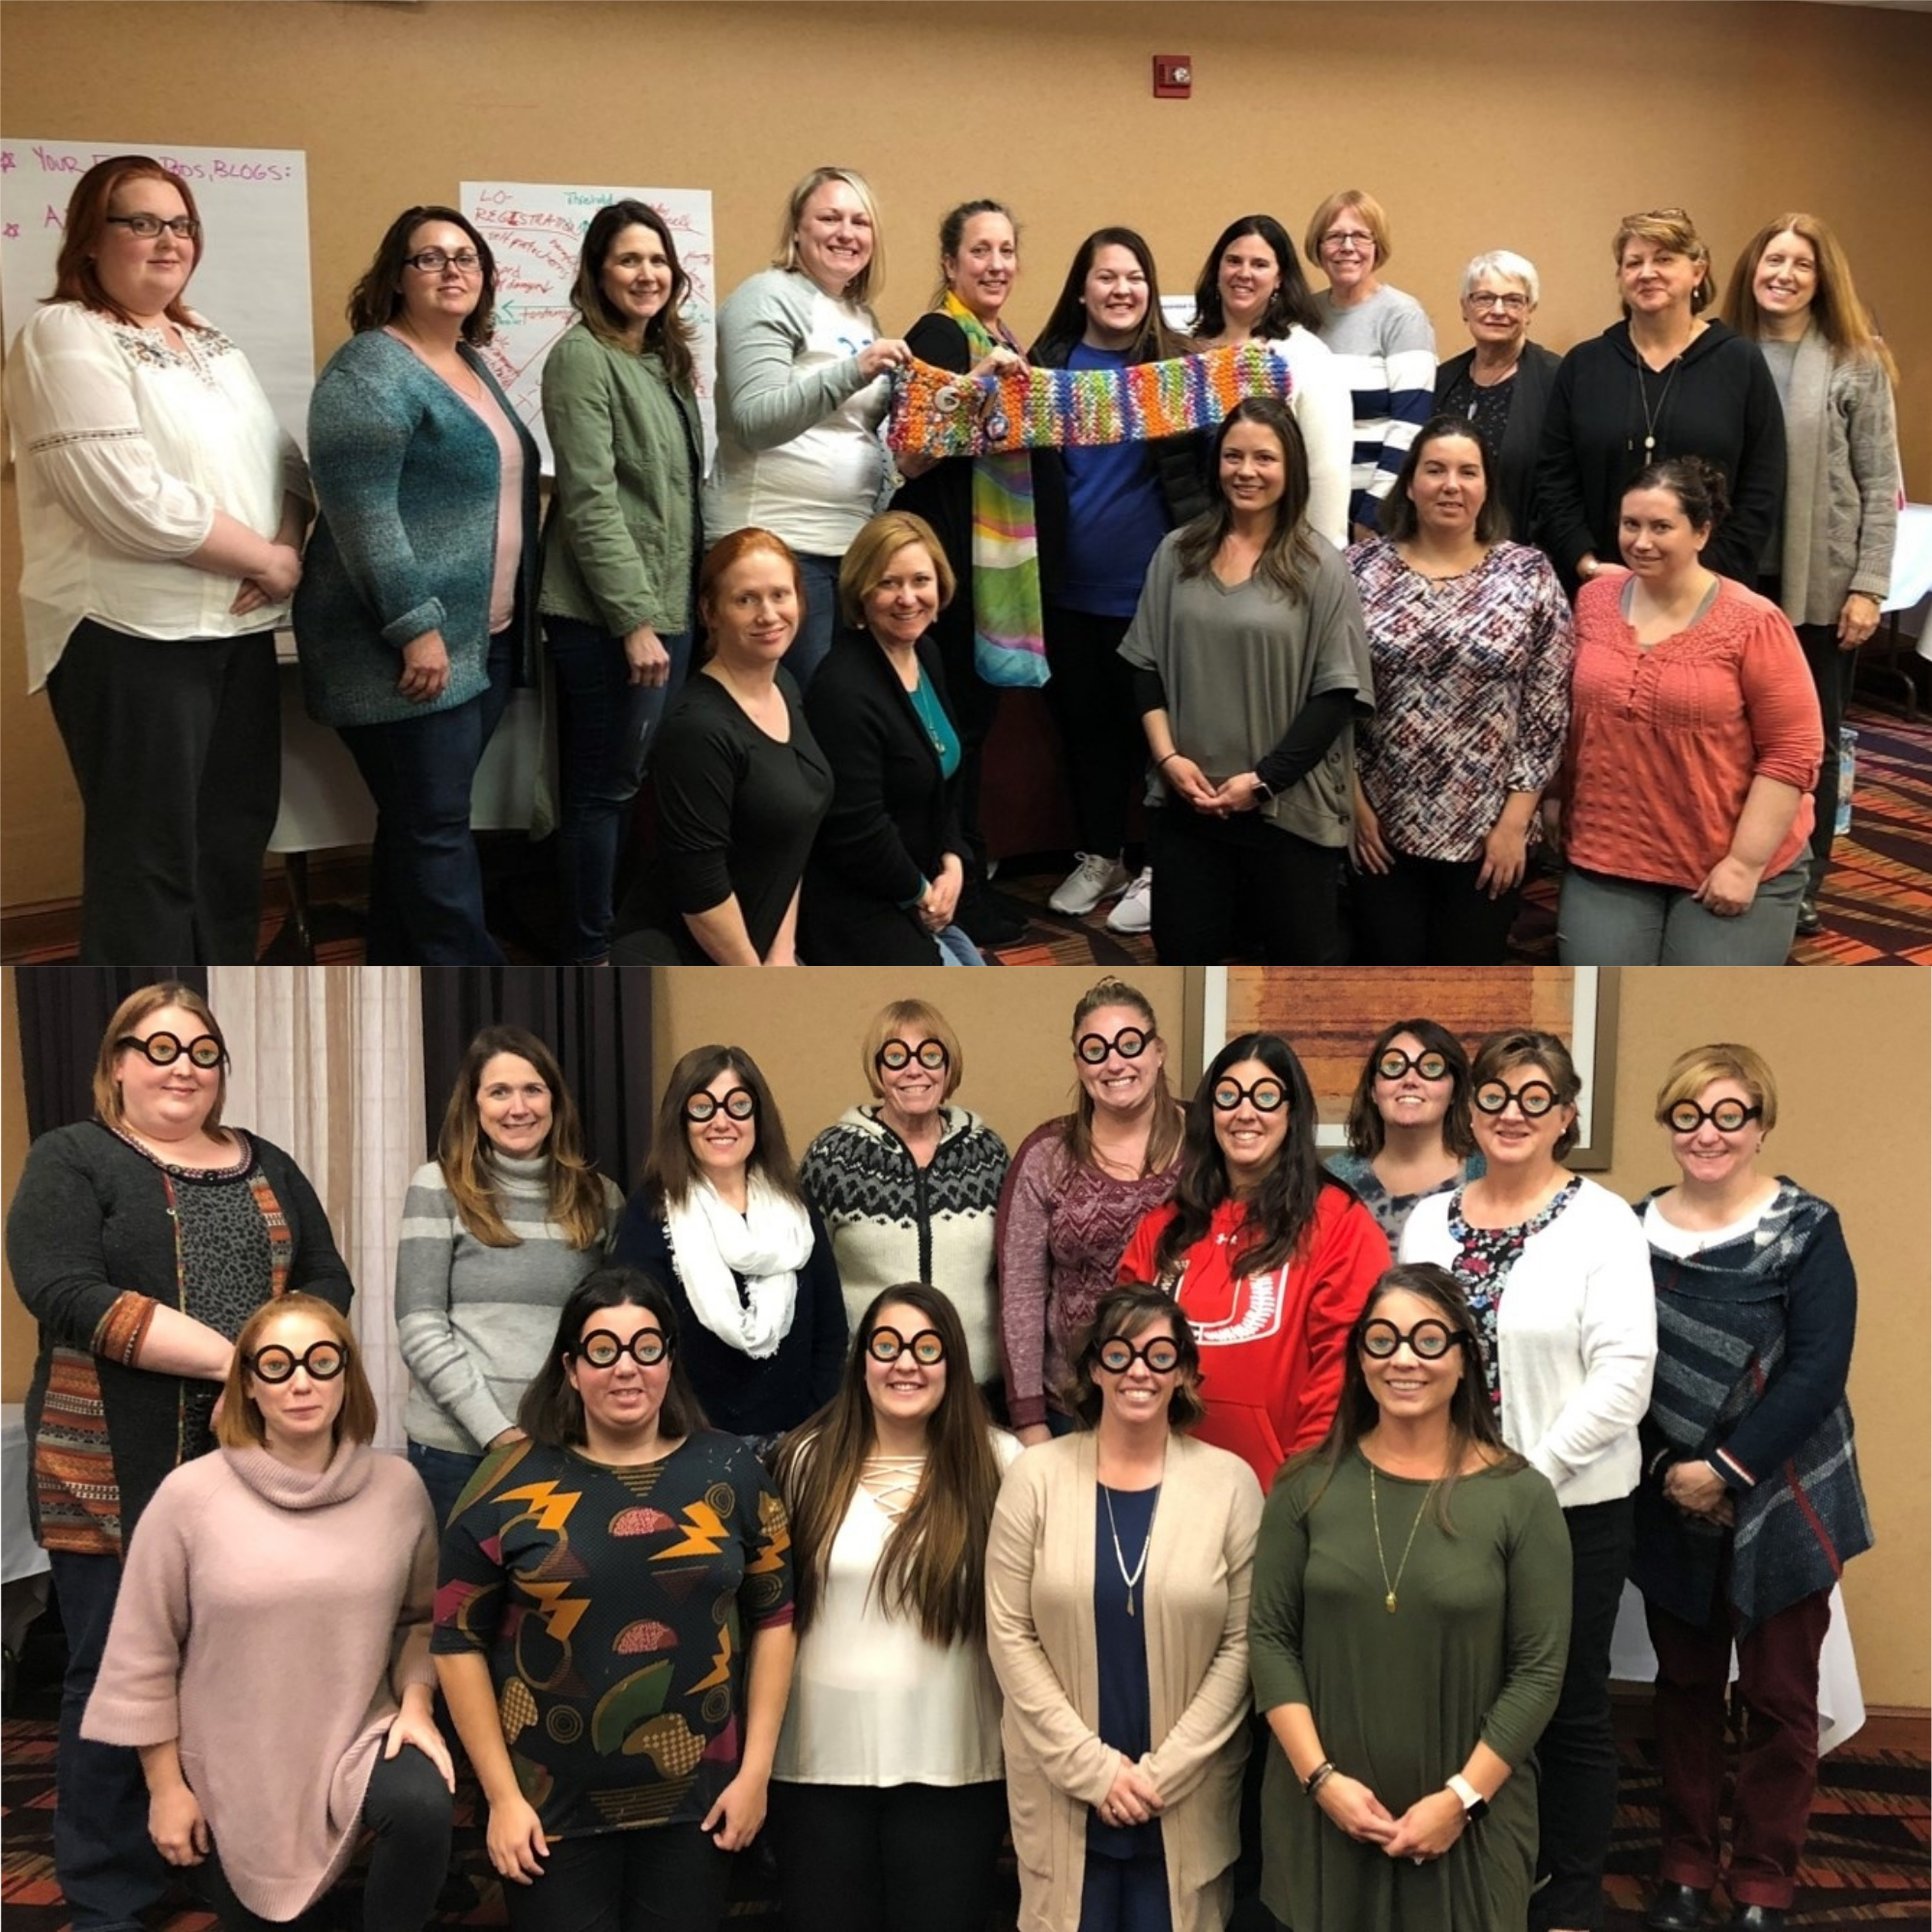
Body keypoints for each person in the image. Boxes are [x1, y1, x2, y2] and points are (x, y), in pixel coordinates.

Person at [4, 982, 353, 1932]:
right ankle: (106, 1885)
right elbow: (63, 1287)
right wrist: (250, 1360)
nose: (181, 1066)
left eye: (202, 1050)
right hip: (110, 1465)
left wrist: (289, 1364)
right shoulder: (73, 1156)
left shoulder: (266, 1162)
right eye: (157, 1047)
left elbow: (326, 1275)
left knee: (235, 1674)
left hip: (258, 1467)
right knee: (116, 1674)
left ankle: (215, 1855)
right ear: (115, 1060)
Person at [4, 154, 307, 963]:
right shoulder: (63, 334)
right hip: (129, 633)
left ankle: (220, 1018)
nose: (166, 240)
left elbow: (285, 463)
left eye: (179, 224)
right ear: (89, 239)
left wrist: (286, 543)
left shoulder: (210, 339)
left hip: (237, 633)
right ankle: (147, 1025)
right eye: (140, 222)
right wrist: (271, 563)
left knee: (229, 850)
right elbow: (121, 497)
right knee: (149, 862)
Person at [433, 1269, 795, 1932]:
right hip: (548, 1814)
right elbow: (455, 1642)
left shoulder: (732, 1473)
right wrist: (503, 1798)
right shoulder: (507, 1482)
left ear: (669, 1360)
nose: (626, 1369)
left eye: (646, 1347)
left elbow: (775, 1620)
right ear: (570, 1367)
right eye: (603, 1350)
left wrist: (757, 1774)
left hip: (703, 1804)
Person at [81, 1295, 452, 1932]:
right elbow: (142, 1657)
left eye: (321, 1361)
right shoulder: (189, 1497)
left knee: (422, 1806)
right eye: (276, 1365)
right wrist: (167, 1790)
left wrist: (415, 1705)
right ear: (248, 1384)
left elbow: (420, 1619)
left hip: (359, 1738)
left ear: (347, 1376)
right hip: (233, 1760)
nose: (301, 1381)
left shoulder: (398, 1489)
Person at [1400, 1028, 1656, 1932]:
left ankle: (1573, 1893)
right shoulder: (1430, 1219)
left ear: (1567, 1116)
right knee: (1468, 1697)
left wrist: (1524, 1479)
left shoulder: (1604, 1221)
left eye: (1535, 1098)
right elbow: (1403, 1357)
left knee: (1565, 1702)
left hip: (1571, 1509)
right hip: (1444, 1505)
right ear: (1470, 1112)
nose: (1513, 1114)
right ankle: (1483, 1872)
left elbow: (1625, 1374)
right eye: (1496, 1096)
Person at [1249, 1264, 1572, 1932]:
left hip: (1469, 1821)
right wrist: (1321, 1782)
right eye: (1382, 1339)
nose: (1403, 1359)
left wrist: (1460, 1800)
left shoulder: (1522, 1497)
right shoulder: (1303, 1485)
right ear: (1358, 1356)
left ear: (1463, 1360)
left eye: (1428, 1340)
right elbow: (1270, 1641)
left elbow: (1539, 1671)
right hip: (1322, 1813)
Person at [1634, 1044, 1873, 1932]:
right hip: (1667, 1489)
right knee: (1685, 1689)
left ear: (1761, 1123)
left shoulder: (1807, 1226)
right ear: (1667, 1124)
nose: (1708, 1133)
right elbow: (1618, 1365)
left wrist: (1728, 1470)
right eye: (1689, 1114)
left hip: (1783, 1488)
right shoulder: (1628, 1231)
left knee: (1780, 1699)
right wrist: (1672, 1471)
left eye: (1729, 1113)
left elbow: (1818, 1369)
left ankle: (1766, 1880)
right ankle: (1686, 1866)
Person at [295, 203, 540, 964]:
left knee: (416, 824)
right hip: (402, 646)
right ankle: (478, 989)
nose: (451, 270)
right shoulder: (369, 370)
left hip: (481, 640)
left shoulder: (467, 364)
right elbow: (363, 514)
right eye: (429, 257)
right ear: (395, 278)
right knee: (436, 831)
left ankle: (393, 966)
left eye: (466, 257)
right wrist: (415, 625)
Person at [984, 1286, 1264, 1932]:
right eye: (1121, 1352)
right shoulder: (1034, 1478)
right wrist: (1095, 1771)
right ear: (1093, 1368)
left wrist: (1160, 1773)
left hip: (1183, 1797)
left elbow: (1244, 1644)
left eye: (1159, 1354)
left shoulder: (1230, 1484)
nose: (1139, 1369)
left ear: (1186, 1371)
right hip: (1063, 1795)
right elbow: (1007, 1631)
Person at [769, 1283, 1019, 1932]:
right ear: (861, 1360)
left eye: (926, 1347)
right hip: (816, 1763)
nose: (905, 1363)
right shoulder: (801, 1461)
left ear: (954, 1363)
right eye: (887, 1345)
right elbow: (770, 1618)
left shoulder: (1003, 1463)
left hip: (955, 1765)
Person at [1120, 395, 1375, 965]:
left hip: (1286, 816)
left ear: (1291, 469)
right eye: (1233, 456)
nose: (1246, 471)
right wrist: (1167, 761)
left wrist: (1260, 782)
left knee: (1296, 981)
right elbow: (1145, 667)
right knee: (1185, 962)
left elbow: (1336, 696)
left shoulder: (1320, 566)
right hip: (1187, 807)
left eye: (1265, 458)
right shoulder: (1177, 553)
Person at [1548, 458, 1824, 967]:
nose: (1641, 542)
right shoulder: (1593, 601)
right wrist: (1553, 797)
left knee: (1703, 1014)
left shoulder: (1754, 621)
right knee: (1600, 1000)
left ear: (1701, 532)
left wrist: (1743, 864)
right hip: (1609, 853)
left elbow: (1792, 753)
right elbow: (1563, 716)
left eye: (1661, 527)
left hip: (1728, 856)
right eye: (1630, 525)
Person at [891, 199, 1065, 948]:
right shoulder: (938, 333)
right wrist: (981, 385)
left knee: (974, 735)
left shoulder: (1008, 338)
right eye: (979, 251)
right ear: (949, 264)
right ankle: (950, 889)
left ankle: (971, 874)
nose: (995, 264)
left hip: (999, 584)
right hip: (954, 582)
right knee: (952, 738)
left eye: (1005, 250)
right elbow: (915, 444)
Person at [1721, 213, 1901, 935]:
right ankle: (1732, 859)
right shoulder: (1719, 351)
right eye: (1773, 259)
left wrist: (1869, 586)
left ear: (1823, 279)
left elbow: (1880, 479)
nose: (1785, 274)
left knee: (1807, 742)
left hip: (1818, 590)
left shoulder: (1856, 359)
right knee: (1727, 737)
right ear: (1750, 268)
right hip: (1730, 579)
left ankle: (1802, 878)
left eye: (1802, 264)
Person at [539, 200, 706, 962]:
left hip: (668, 611)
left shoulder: (659, 360)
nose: (647, 275)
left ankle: (616, 927)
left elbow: (678, 498)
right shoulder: (583, 358)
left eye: (658, 261)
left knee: (632, 785)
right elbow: (591, 500)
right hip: (607, 620)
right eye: (629, 260)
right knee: (601, 790)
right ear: (598, 273)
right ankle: (585, 948)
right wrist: (635, 620)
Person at [1119, 1032, 1390, 1492]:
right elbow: (1122, 1355)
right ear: (1209, 1112)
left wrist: (1301, 1486)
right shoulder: (1164, 1227)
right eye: (1228, 1096)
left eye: (1265, 1096)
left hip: (1283, 1490)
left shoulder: (1339, 1222)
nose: (1245, 1112)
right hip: (1162, 1487)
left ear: (1291, 1111)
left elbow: (1342, 1372)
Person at [1031, 228, 1206, 937]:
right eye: (1106, 277)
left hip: (1154, 593)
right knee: (1088, 734)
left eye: (1134, 276)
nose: (1121, 289)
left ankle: (1162, 864)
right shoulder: (1046, 369)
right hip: (1068, 590)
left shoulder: (1173, 368)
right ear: (1081, 289)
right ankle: (1101, 855)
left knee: (1162, 736)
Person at [1347, 416, 1572, 964]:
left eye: (1468, 472)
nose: (1452, 484)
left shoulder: (1529, 575)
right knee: (1383, 974)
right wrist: (1351, 805)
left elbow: (1547, 712)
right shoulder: (1356, 571)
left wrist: (1515, 824)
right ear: (1410, 483)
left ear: (1487, 487)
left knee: (1469, 983)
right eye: (1435, 470)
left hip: (1490, 829)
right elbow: (1328, 698)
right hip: (1379, 824)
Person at [396, 1024, 623, 1525]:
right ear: (474, 1105)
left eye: (532, 1090)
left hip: (568, 1447)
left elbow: (614, 1330)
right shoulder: (438, 1187)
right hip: (457, 1452)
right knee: (463, 1604)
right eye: (499, 1092)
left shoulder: (600, 1197)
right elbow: (419, 1325)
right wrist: (497, 1432)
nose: (518, 1108)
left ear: (554, 1100)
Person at [705, 165, 909, 689]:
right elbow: (755, 419)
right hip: (775, 548)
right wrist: (856, 369)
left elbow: (862, 433)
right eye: (829, 217)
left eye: (860, 221)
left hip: (847, 551)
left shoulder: (859, 315)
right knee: (798, 712)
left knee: (835, 715)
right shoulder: (768, 296)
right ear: (797, 228)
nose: (846, 233)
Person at [1535, 207, 1784, 596]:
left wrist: (1705, 574)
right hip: (1597, 586)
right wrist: (1587, 564)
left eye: (1664, 259)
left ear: (1698, 271)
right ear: (1621, 277)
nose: (1647, 272)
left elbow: (1762, 484)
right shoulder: (1584, 365)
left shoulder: (1741, 362)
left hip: (1711, 591)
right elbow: (1554, 479)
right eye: (1634, 262)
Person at [613, 528, 834, 964]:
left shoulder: (784, 686)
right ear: (710, 613)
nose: (768, 614)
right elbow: (701, 892)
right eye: (745, 599)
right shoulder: (698, 728)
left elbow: (793, 839)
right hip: (684, 957)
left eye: (779, 595)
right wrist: (756, 983)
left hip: (762, 948)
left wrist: (783, 954)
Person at [611, 1044, 846, 1440]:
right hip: (687, 1444)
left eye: (738, 1105)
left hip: (798, 1442)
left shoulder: (796, 1208)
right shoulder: (650, 1212)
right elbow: (635, 1336)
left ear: (758, 1116)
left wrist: (810, 1423)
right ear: (681, 1118)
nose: (722, 1122)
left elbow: (830, 1330)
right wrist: (685, 1435)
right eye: (703, 1107)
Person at [997, 979, 1185, 1447]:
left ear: (1158, 1050)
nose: (1114, 1062)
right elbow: (1020, 1290)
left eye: (1129, 1044)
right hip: (1072, 1410)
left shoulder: (1208, 1142)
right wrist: (1028, 1419)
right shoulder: (1047, 1154)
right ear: (1079, 1065)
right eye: (1095, 1050)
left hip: (1185, 1403)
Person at [800, 1001, 1009, 1399]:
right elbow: (806, 1284)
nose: (915, 1069)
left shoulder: (989, 1155)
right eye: (896, 1057)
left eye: (930, 1055)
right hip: (867, 1392)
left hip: (976, 1393)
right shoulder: (833, 1158)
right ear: (877, 1072)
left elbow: (1015, 1277)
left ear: (949, 1067)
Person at [800, 511, 980, 964]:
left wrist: (953, 859)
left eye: (921, 580)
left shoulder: (925, 653)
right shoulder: (840, 687)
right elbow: (855, 831)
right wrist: (922, 893)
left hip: (921, 889)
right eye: (887, 583)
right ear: (861, 591)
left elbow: (943, 779)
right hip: (859, 900)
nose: (907, 598)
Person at [1188, 213, 1353, 548]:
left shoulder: (1304, 356)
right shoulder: (1186, 351)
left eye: (1259, 264)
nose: (1243, 273)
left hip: (1276, 552)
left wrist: (1322, 557)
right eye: (1233, 261)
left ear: (1280, 278)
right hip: (1194, 544)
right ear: (1217, 270)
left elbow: (1326, 473)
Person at [1304, 189, 1435, 539]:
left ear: (1377, 246)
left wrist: (1375, 514)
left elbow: (1410, 425)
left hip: (1377, 517)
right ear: (1318, 247)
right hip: (1311, 509)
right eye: (1334, 236)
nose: (1347, 246)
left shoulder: (1403, 316)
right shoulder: (1303, 316)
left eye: (1361, 235)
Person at [1433, 251, 1563, 545]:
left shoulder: (1557, 380)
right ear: (1465, 307)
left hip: (1525, 552)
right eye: (1485, 298)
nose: (1499, 310)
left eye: (1513, 300)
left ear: (1530, 310)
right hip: (1444, 545)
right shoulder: (1442, 380)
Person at [1324, 1020, 1485, 1249]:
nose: (1410, 1080)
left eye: (1431, 1067)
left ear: (1454, 1092)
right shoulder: (1335, 1178)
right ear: (1373, 1090)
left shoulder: (1486, 1174)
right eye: (1394, 1066)